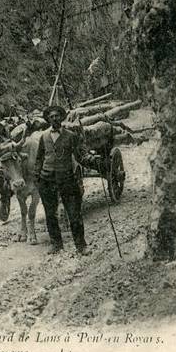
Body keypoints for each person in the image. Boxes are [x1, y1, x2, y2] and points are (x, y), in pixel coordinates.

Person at [34, 105, 100, 256]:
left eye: (57, 116)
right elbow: (39, 159)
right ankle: (56, 244)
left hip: (67, 179)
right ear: (48, 119)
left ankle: (81, 246)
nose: (54, 118)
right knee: (50, 214)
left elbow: (80, 156)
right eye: (51, 116)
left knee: (74, 213)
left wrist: (91, 160)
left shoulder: (70, 136)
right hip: (47, 179)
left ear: (61, 117)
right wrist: (37, 177)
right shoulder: (44, 137)